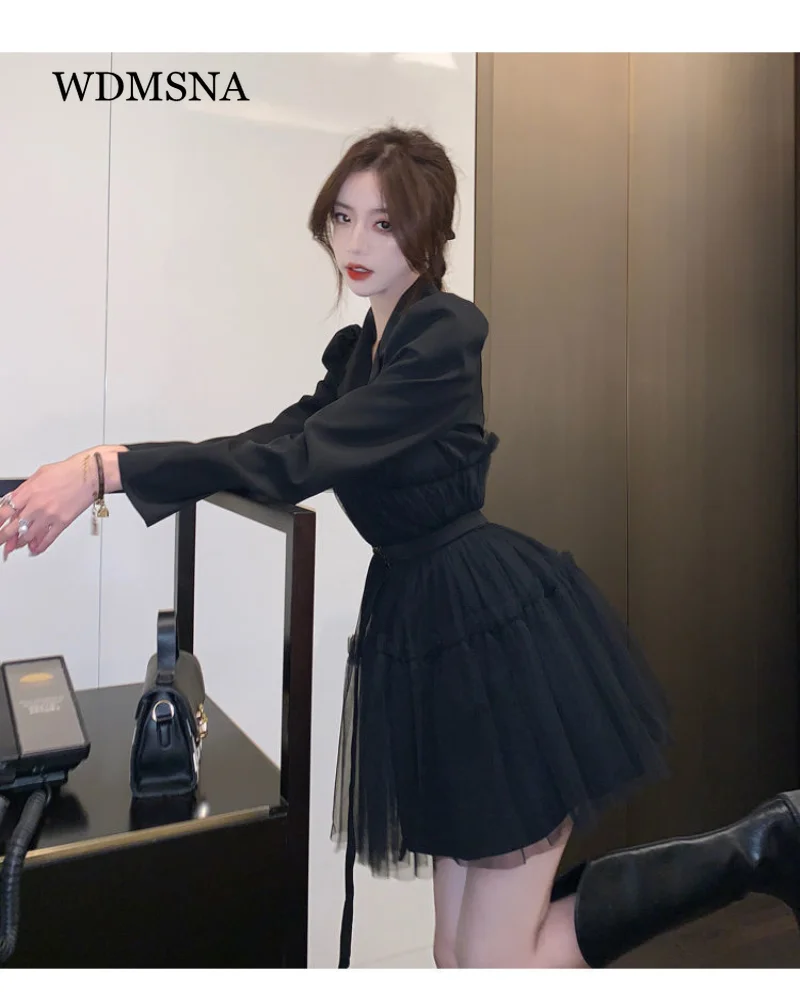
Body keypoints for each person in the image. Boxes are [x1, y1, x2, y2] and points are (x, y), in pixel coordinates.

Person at [1, 126, 799, 969]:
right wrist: (104, 467)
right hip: (421, 629)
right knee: (455, 956)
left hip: (488, 629)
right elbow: (271, 441)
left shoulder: (443, 336)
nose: (356, 243)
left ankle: (758, 845)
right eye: (344, 218)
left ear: (428, 232)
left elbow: (299, 461)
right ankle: (764, 842)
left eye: (384, 224)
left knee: (492, 964)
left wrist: (105, 471)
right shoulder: (361, 354)